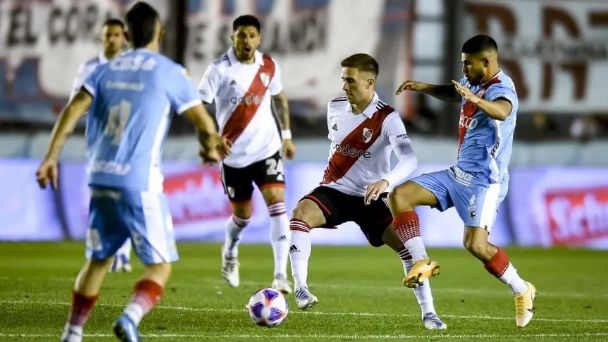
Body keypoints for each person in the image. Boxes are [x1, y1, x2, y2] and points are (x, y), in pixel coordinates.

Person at [36, 3, 229, 341]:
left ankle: (72, 332)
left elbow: (71, 112)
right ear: (160, 34)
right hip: (139, 182)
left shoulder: (102, 70)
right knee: (160, 265)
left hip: (99, 178)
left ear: (125, 35)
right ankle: (130, 318)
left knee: (98, 259)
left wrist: (51, 157)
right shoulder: (170, 71)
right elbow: (202, 121)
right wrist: (209, 144)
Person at [287, 53, 447, 330]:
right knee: (300, 214)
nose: (344, 86)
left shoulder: (388, 118)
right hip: (334, 191)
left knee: (408, 249)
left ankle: (429, 313)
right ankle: (300, 288)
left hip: (371, 198)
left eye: (350, 81)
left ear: (370, 83)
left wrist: (386, 181)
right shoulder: (335, 106)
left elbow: (409, 159)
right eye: (343, 80)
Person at [390, 34, 537, 328]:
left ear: (487, 61)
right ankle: (422, 261)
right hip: (457, 174)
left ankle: (522, 289)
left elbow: (503, 111)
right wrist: (423, 88)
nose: (465, 70)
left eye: (469, 65)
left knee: (476, 245)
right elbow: (454, 92)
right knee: (400, 196)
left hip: (485, 182)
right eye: (463, 65)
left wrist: (475, 99)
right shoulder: (473, 82)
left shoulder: (502, 88)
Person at [197, 14, 296, 294]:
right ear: (232, 37)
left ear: (259, 38)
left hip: (267, 149)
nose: (247, 40)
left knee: (277, 204)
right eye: (241, 35)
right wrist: (210, 140)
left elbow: (279, 98)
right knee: (243, 217)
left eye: (252, 35)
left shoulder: (269, 66)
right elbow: (199, 106)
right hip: (233, 157)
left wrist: (286, 137)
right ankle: (229, 251)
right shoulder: (218, 69)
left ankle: (280, 275)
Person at [69, 18, 133, 273]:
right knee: (101, 198)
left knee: (127, 195)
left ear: (124, 37)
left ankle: (124, 254)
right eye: (108, 35)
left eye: (116, 34)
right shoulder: (90, 68)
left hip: (128, 141)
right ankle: (101, 248)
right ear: (102, 38)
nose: (112, 39)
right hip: (99, 143)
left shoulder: (131, 66)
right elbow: (76, 103)